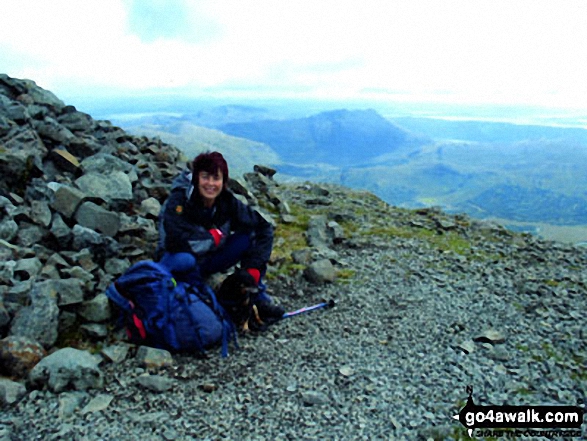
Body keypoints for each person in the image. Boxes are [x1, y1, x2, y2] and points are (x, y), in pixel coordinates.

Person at [157, 151, 285, 322]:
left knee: (250, 235)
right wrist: (210, 239)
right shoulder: (179, 200)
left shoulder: (226, 201)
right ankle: (201, 298)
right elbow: (172, 240)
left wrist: (253, 268)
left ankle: (255, 296)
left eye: (216, 178)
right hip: (179, 259)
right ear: (196, 178)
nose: (211, 183)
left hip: (210, 259)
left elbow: (263, 228)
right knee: (185, 259)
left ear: (223, 181)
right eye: (205, 177)